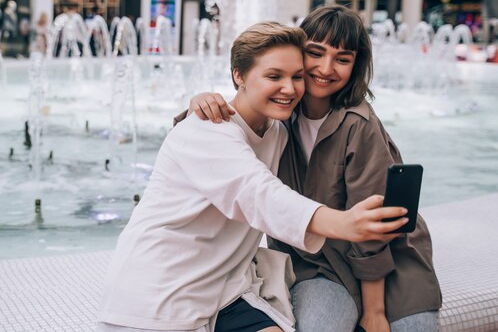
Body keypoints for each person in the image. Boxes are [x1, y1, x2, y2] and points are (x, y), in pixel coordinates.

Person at [98, 21, 409, 332]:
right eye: (274, 76)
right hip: (159, 293)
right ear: (238, 75)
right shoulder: (206, 131)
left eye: (297, 76)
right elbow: (259, 194)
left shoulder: (277, 129)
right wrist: (343, 223)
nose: (289, 89)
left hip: (225, 291)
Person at [186, 6, 442, 332]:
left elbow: (374, 226)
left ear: (356, 64)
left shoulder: (359, 124)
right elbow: (234, 124)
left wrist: (374, 311)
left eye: (343, 59)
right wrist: (202, 102)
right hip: (315, 263)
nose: (326, 68)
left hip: (388, 265)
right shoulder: (281, 112)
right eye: (315, 53)